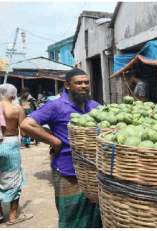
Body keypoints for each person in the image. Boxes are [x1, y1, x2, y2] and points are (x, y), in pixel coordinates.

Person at [20, 68, 102, 228]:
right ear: (67, 85)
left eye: (86, 82)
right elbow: (26, 125)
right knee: (71, 217)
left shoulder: (93, 105)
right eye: (79, 83)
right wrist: (54, 141)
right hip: (67, 171)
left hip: (94, 172)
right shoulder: (55, 105)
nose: (84, 86)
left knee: (95, 216)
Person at [0, 84, 33, 225]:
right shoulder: (17, 109)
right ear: (13, 96)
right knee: (14, 176)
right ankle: (13, 215)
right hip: (10, 143)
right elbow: (24, 132)